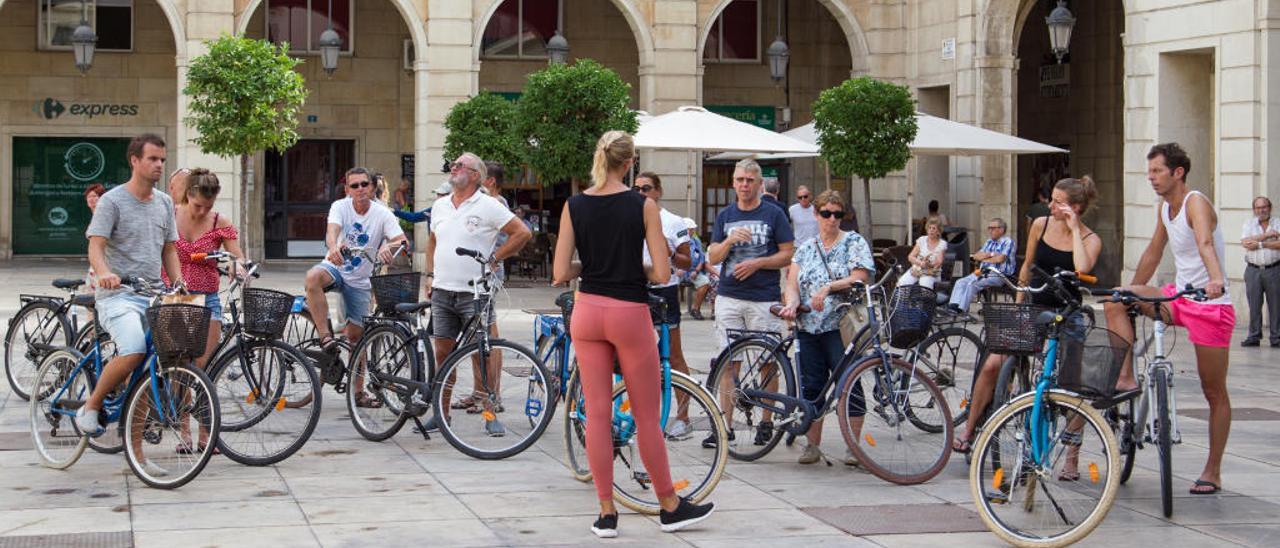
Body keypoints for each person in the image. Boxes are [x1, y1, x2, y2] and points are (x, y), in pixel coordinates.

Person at [552, 130, 714, 538]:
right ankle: (669, 505)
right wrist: (631, 268)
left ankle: (606, 514)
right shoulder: (644, 206)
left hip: (587, 313)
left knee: (599, 415)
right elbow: (662, 273)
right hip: (628, 312)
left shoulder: (574, 205)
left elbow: (558, 274)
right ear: (630, 163)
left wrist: (589, 268)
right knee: (645, 417)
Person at [1103, 143, 1234, 495]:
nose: (1151, 178)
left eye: (1157, 171)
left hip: (1210, 304)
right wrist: (1132, 287)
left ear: (1178, 172)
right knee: (1116, 301)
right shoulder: (1165, 208)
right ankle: (1127, 376)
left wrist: (1216, 280)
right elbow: (1153, 251)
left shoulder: (1196, 202)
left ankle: (1213, 470)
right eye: (1149, 172)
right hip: (1177, 298)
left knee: (1213, 391)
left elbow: (1205, 242)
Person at [953, 177, 1102, 470]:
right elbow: (1027, 264)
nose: (1051, 205)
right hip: (1034, 305)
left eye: (1058, 202)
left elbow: (1083, 268)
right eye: (1053, 200)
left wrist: (1073, 230)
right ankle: (970, 429)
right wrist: (1020, 300)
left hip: (1067, 311)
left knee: (1073, 382)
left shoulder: (1089, 239)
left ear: (1076, 207)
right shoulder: (1040, 225)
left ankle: (1071, 457)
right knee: (994, 363)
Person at [74, 134, 184, 475]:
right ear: (134, 161)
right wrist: (105, 272)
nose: (159, 165)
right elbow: (96, 245)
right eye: (152, 159)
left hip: (152, 294)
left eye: (162, 160)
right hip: (117, 294)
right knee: (134, 349)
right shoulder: (113, 202)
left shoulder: (165, 202)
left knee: (154, 368)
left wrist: (178, 282)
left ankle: (137, 453)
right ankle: (90, 407)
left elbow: (169, 248)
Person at [426, 152, 531, 435]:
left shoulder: (489, 205)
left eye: (460, 165)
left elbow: (521, 233)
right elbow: (433, 241)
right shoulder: (440, 206)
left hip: (475, 292)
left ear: (476, 175)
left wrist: (495, 258)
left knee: (483, 354)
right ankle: (441, 413)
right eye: (453, 164)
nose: (453, 168)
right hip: (443, 290)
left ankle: (489, 413)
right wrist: (429, 275)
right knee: (442, 354)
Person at [778, 190, 873, 465]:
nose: (831, 219)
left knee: (849, 383)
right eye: (826, 213)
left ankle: (853, 446)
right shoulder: (806, 247)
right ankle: (812, 445)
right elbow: (793, 284)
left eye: (837, 214)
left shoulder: (853, 242)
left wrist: (830, 286)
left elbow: (860, 277)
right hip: (809, 326)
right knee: (812, 386)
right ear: (816, 214)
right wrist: (792, 304)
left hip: (840, 326)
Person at [707, 158, 795, 448]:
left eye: (750, 180)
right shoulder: (725, 216)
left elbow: (787, 254)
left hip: (763, 298)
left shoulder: (774, 214)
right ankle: (725, 426)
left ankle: (767, 422)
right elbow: (713, 257)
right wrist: (730, 241)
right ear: (733, 183)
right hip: (729, 297)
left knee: (767, 363)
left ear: (759, 184)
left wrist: (758, 262)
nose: (744, 185)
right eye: (740, 180)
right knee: (728, 363)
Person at [302, 167, 408, 408]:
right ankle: (326, 338)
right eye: (354, 186)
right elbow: (332, 232)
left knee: (356, 338)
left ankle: (358, 391)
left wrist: (388, 249)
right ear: (347, 189)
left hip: (361, 281)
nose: (359, 189)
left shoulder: (383, 214)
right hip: (336, 268)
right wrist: (333, 248)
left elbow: (401, 241)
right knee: (312, 278)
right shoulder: (340, 206)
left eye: (364, 184)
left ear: (371, 187)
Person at [163, 168, 244, 453]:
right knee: (182, 367)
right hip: (175, 296)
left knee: (205, 367)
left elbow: (237, 255)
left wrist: (238, 265)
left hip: (208, 296)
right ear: (188, 196)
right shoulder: (169, 214)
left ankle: (206, 431)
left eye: (208, 207)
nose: (202, 211)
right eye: (198, 205)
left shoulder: (219, 221)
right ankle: (184, 430)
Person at [634, 173, 695, 436]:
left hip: (665, 291)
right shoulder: (629, 217)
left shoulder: (673, 221)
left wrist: (668, 251)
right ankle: (643, 418)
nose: (640, 193)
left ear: (658, 191)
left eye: (645, 188)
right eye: (635, 189)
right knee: (638, 359)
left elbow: (687, 261)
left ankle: (683, 417)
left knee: (673, 355)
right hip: (636, 290)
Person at [945, 218, 1016, 314]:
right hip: (982, 272)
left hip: (999, 274)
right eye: (989, 228)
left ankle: (961, 309)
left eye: (992, 228)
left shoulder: (1008, 242)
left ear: (1001, 229)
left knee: (972, 284)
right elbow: (976, 256)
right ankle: (953, 306)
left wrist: (985, 257)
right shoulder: (989, 242)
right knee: (960, 282)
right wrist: (991, 255)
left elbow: (1000, 259)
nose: (990, 230)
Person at [1240, 196, 1280, 347]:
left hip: (1274, 269)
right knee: (1254, 304)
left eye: (1264, 207)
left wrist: (1260, 244)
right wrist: (1268, 236)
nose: (1261, 210)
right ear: (1254, 210)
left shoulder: (1278, 222)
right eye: (1258, 208)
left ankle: (1276, 337)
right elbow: (1246, 243)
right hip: (1253, 270)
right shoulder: (1249, 224)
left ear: (1270, 208)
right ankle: (1254, 336)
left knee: (1276, 305)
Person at [898, 217, 947, 288]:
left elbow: (939, 262)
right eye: (929, 228)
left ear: (938, 231)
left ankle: (924, 299)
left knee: (924, 282)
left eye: (934, 228)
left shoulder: (942, 244)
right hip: (917, 270)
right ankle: (904, 299)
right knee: (902, 282)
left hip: (931, 273)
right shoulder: (922, 240)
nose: (931, 230)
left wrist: (928, 264)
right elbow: (910, 257)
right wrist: (920, 263)